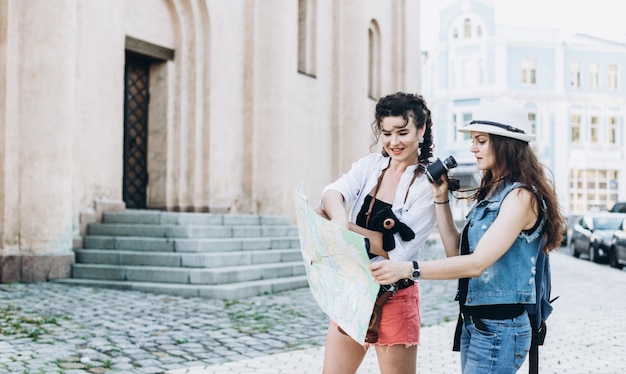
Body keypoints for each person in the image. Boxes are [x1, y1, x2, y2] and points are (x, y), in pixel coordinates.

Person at [370, 100, 566, 374]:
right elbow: (457, 257)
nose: (473, 147)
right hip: (477, 323)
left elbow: (476, 264)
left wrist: (405, 268)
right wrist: (441, 200)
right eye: (474, 140)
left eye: (481, 141)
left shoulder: (521, 197)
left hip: (501, 328)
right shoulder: (493, 192)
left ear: (506, 143)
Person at [317, 92, 437, 374]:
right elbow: (332, 192)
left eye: (403, 132)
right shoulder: (370, 166)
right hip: (353, 289)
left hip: (395, 295)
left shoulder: (428, 186)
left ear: (421, 130)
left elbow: (396, 250)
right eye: (386, 133)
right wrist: (338, 215)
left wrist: (345, 228)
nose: (394, 142)